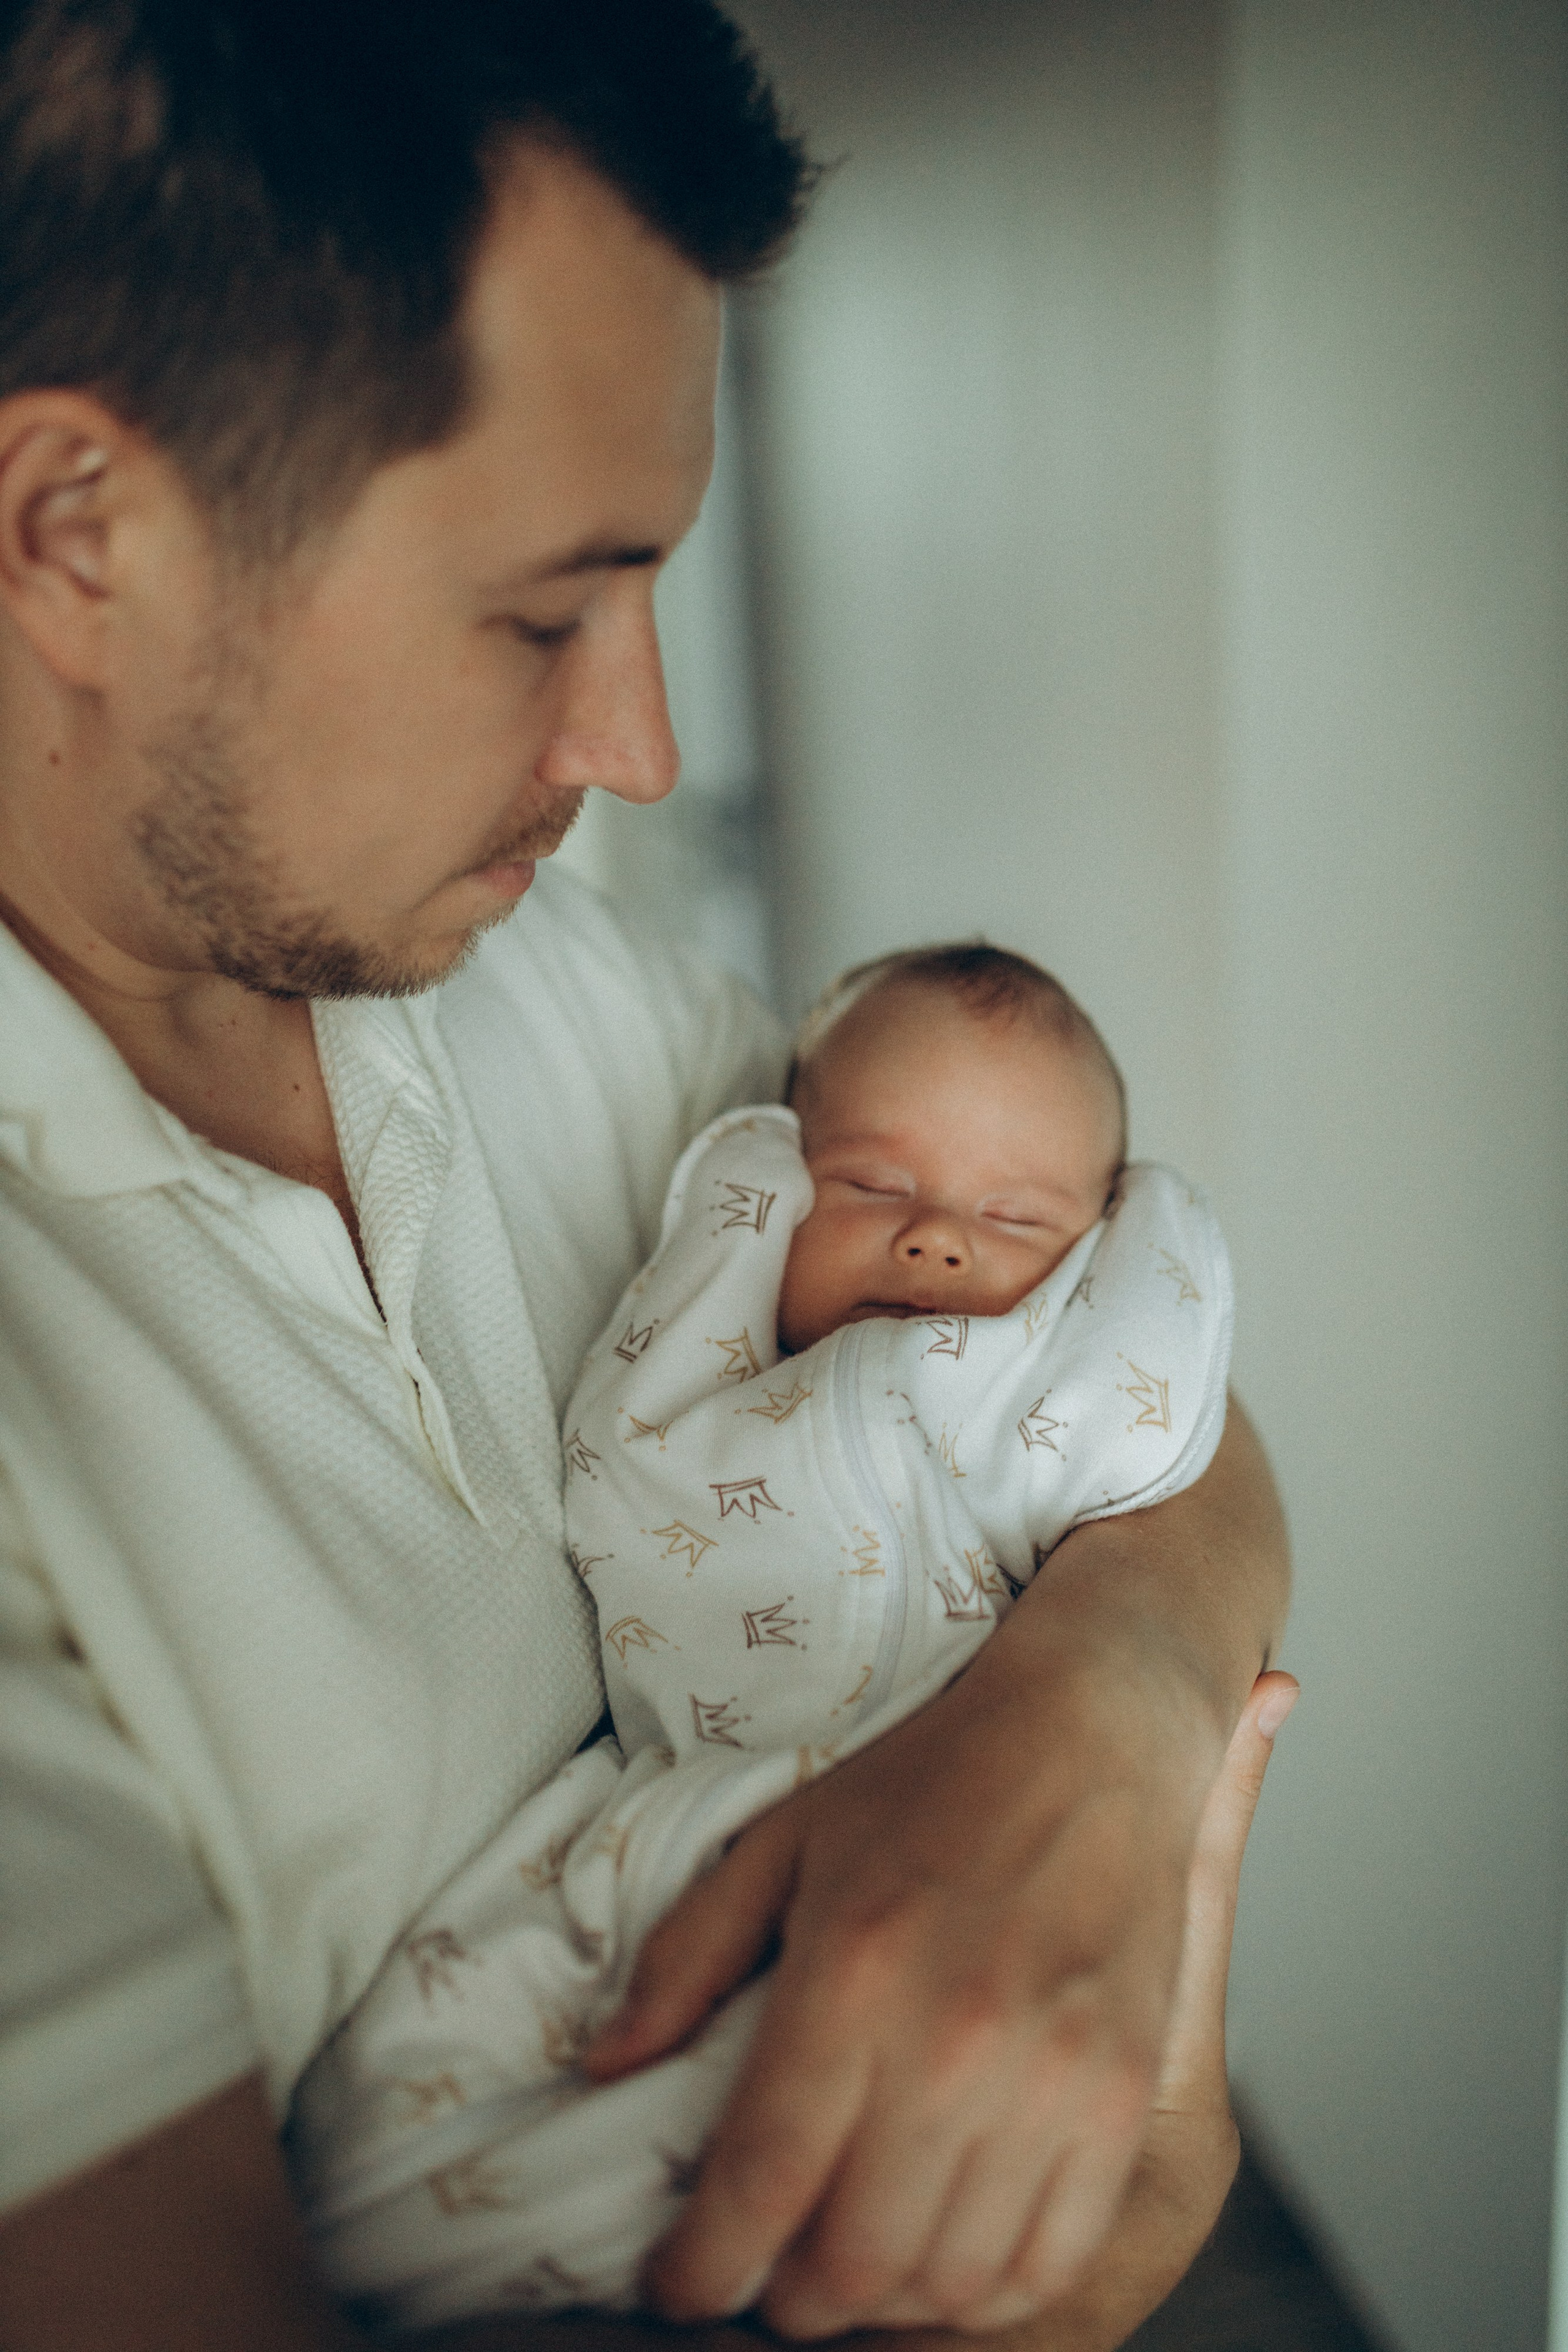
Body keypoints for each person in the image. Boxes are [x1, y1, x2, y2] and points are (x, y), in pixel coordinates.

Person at [0, 4, 1290, 2347]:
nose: (643, 745)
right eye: (543, 613)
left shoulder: (527, 972)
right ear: (78, 534)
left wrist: (1101, 1712)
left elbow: (1116, 1380)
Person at [289, 944, 1237, 2331]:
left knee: (868, 2074)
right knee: (439, 2049)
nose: (936, 1242)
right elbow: (616, 1480)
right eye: (869, 1189)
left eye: (1016, 1221)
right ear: (773, 1189)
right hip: (676, 1803)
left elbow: (1166, 1423)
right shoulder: (700, 1391)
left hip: (955, 1803)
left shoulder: (1043, 1415)